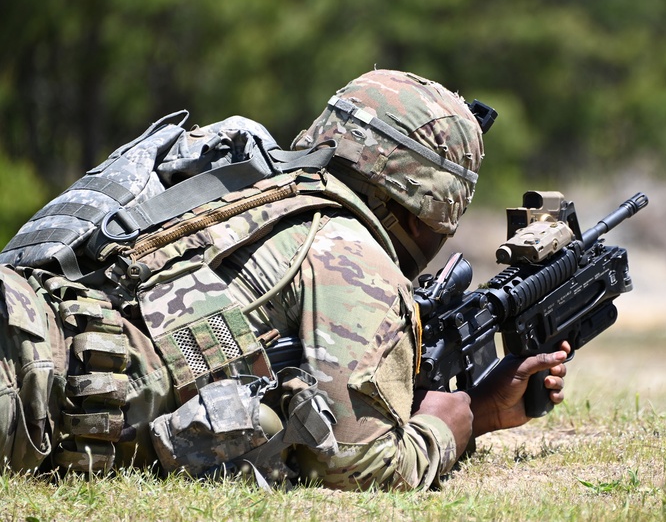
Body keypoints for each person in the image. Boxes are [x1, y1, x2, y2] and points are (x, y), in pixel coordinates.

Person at [0, 69, 570, 490]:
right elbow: (356, 464)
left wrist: (486, 405)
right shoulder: (350, 248)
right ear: (431, 201)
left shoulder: (249, 188)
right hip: (30, 386)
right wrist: (451, 428)